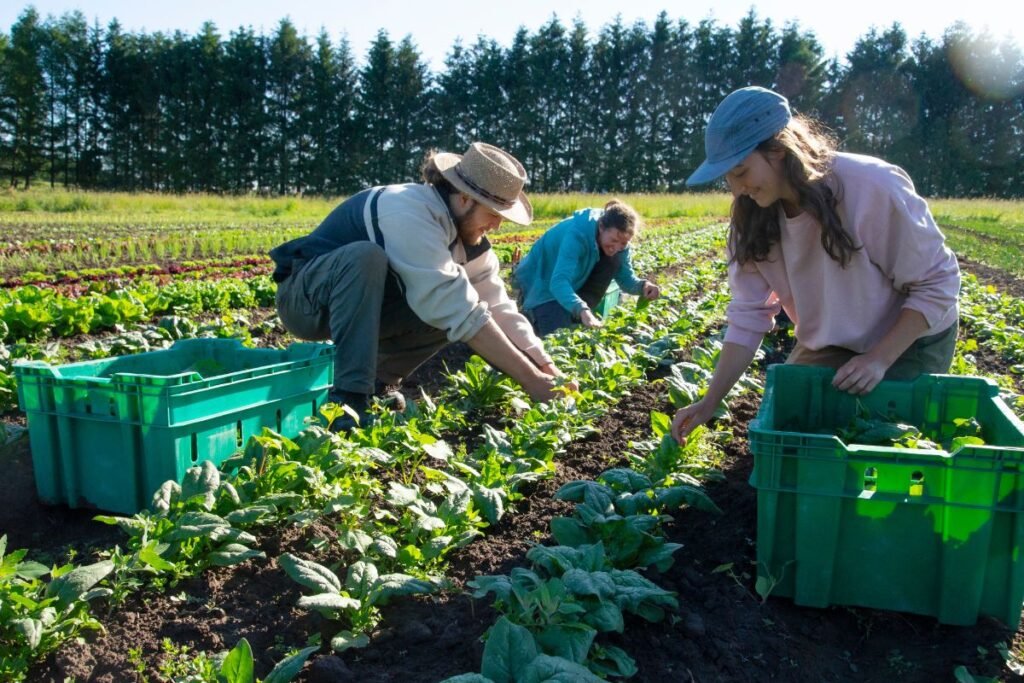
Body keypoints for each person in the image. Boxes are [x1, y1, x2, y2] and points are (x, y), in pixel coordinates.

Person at [672, 86, 960, 444]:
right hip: (832, 337)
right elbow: (748, 316)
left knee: (886, 439)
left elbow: (938, 283)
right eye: (727, 177)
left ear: (778, 150)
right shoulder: (751, 220)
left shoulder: (869, 186)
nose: (736, 188)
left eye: (741, 171)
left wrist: (878, 359)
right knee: (793, 433)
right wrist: (709, 401)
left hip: (910, 336)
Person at [269, 142, 573, 430]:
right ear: (465, 198)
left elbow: (497, 306)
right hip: (305, 300)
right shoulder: (407, 209)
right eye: (493, 215)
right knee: (369, 259)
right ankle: (348, 398)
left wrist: (544, 366)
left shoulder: (471, 241)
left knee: (460, 305)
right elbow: (455, 304)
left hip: (363, 307)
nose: (496, 226)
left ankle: (379, 383)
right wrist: (531, 383)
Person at [513, 199, 660, 336]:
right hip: (540, 281)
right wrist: (582, 309)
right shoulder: (577, 235)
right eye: (614, 240)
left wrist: (643, 286)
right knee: (555, 339)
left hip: (569, 279)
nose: (616, 247)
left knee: (612, 261)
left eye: (623, 243)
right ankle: (533, 314)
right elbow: (558, 282)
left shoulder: (620, 245)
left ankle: (575, 315)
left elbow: (626, 278)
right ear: (601, 227)